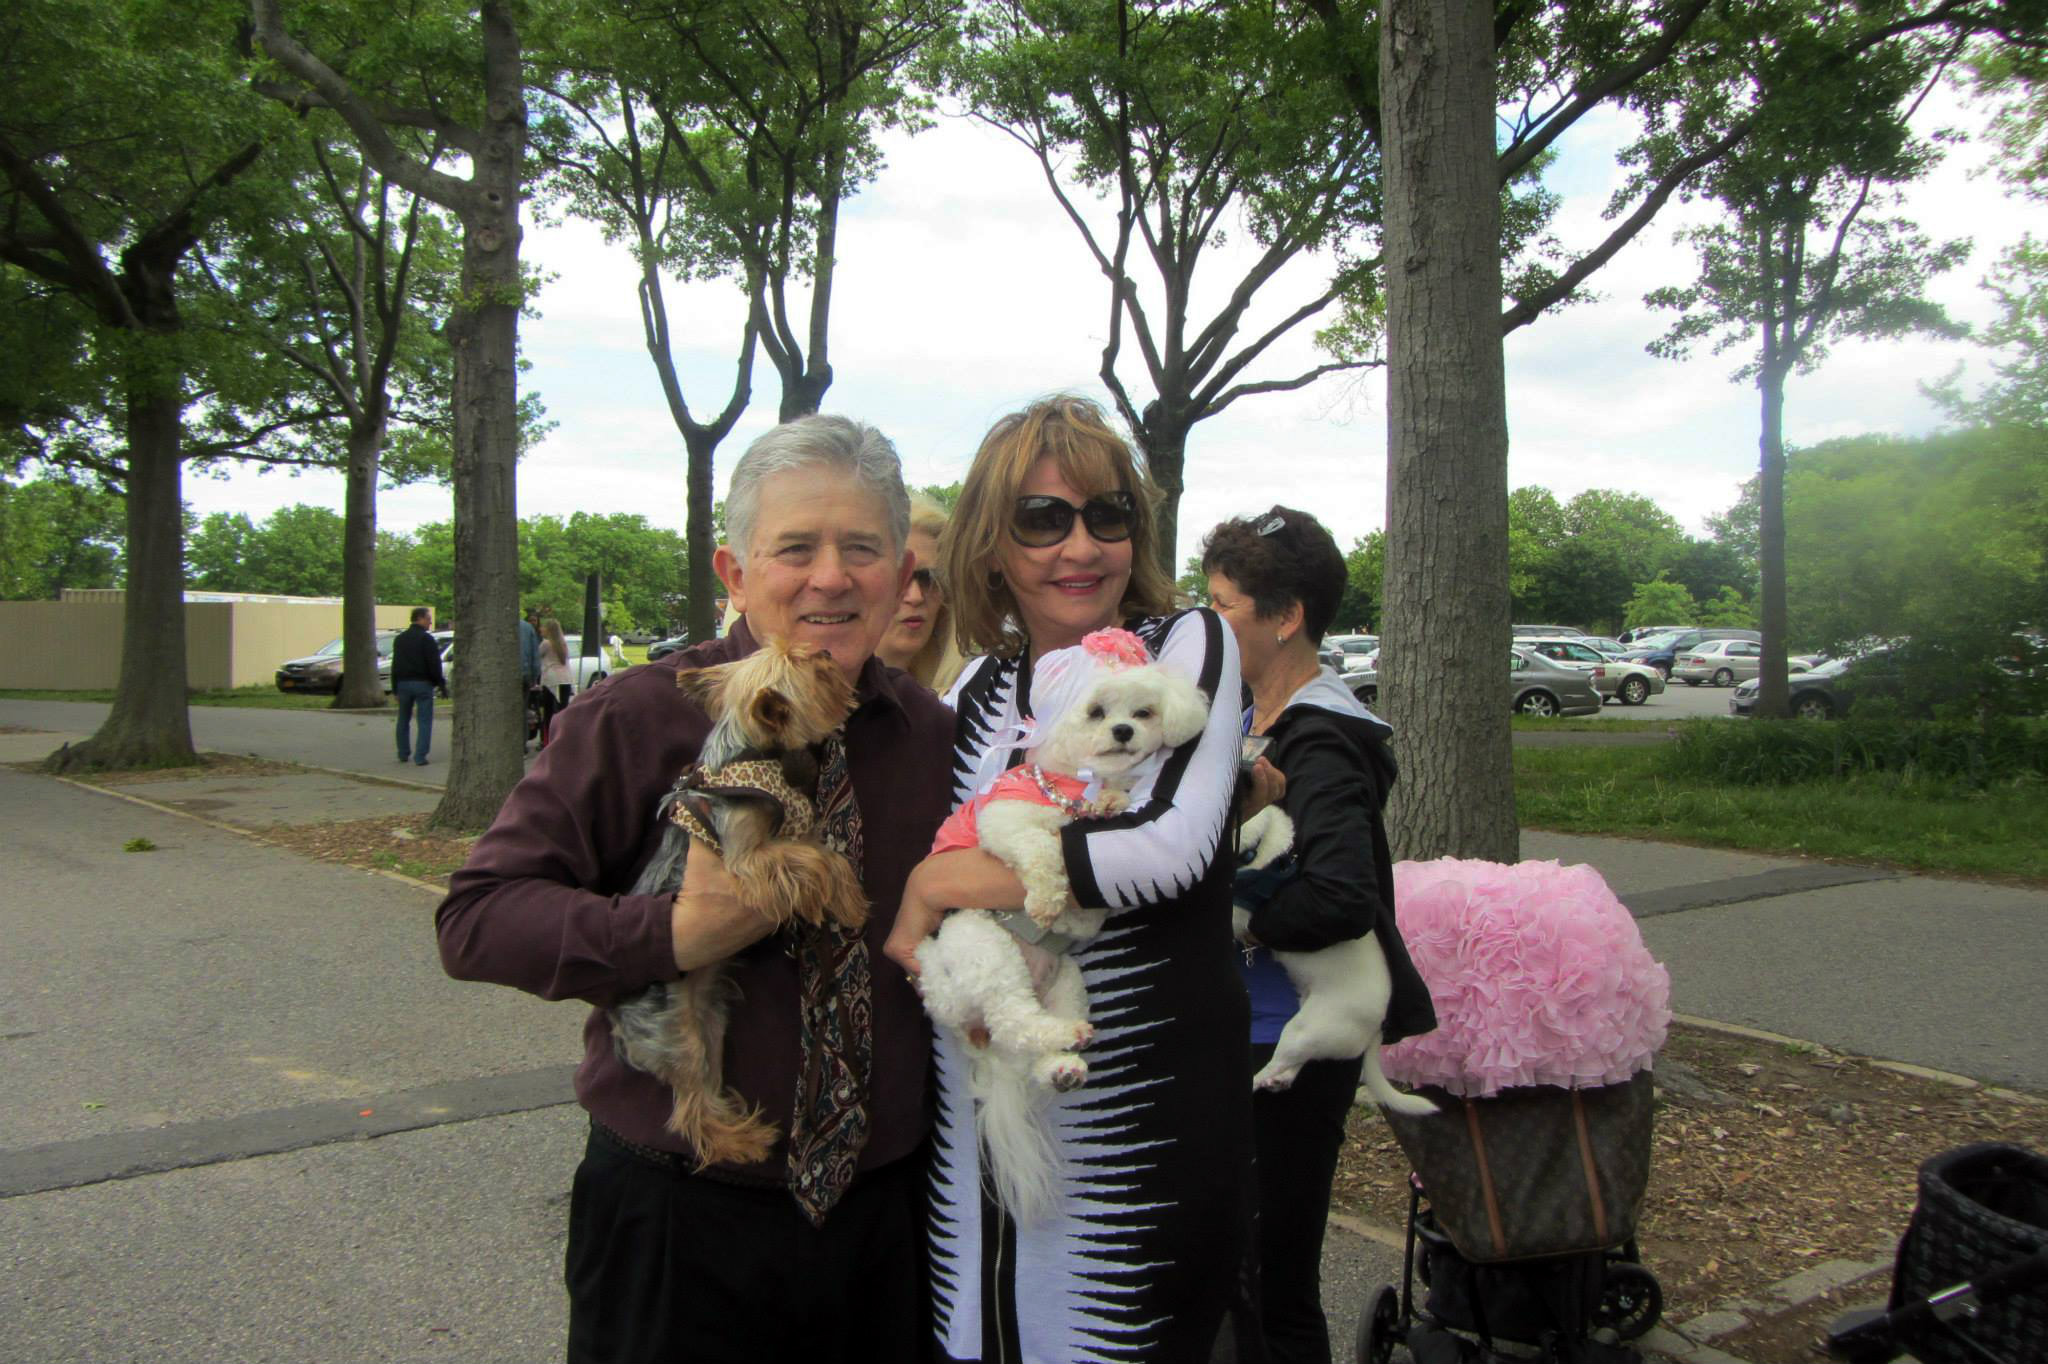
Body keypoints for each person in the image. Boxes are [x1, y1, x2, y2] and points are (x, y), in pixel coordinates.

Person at [435, 415, 957, 1364]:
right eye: (794, 548)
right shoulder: (639, 716)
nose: (831, 577)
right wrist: (677, 934)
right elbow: (477, 919)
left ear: (902, 572)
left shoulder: (934, 736)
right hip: (678, 1228)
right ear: (735, 573)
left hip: (891, 1228)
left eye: (861, 549)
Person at [881, 395, 1251, 1364]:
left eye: (1107, 514)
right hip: (975, 1125)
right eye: (1041, 519)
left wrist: (933, 890)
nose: (1079, 546)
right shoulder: (976, 688)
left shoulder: (1183, 647)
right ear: (990, 545)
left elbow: (1162, 852)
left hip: (1137, 1122)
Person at [1200, 507, 1437, 1364]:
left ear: (1286, 617)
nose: (1206, 623)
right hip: (1245, 1031)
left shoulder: (1325, 739)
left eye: (1222, 605)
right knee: (1234, 1278)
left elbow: (1342, 897)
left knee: (1275, 1287)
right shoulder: (1250, 716)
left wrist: (1235, 917)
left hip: (1286, 1050)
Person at [876, 492, 967, 693]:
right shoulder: (817, 699)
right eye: (899, 576)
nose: (915, 596)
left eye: (930, 578)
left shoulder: (970, 696)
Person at [391, 606, 446, 767]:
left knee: (403, 719)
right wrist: (439, 683)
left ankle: (403, 752)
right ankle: (420, 756)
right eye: (428, 619)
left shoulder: (400, 639)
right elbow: (434, 663)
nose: (430, 622)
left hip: (403, 683)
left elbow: (396, 664)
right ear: (420, 618)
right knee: (424, 721)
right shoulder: (426, 639)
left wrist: (395, 687)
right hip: (422, 683)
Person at [536, 617, 574, 746]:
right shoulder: (563, 644)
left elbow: (537, 656)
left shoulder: (546, 644)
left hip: (551, 681)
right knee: (562, 710)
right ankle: (563, 739)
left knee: (549, 712)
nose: (541, 629)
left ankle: (548, 740)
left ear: (549, 630)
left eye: (543, 627)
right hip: (565, 679)